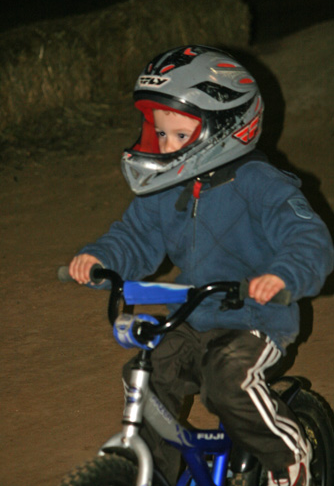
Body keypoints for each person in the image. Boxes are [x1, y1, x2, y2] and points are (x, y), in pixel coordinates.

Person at [68, 46, 334, 486]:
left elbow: (308, 238)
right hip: (192, 316)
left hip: (256, 317)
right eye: (160, 135)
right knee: (150, 373)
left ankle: (290, 456)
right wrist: (101, 259)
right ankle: (154, 471)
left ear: (224, 128)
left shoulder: (259, 182)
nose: (166, 146)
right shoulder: (166, 189)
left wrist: (284, 275)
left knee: (228, 380)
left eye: (178, 136)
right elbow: (136, 237)